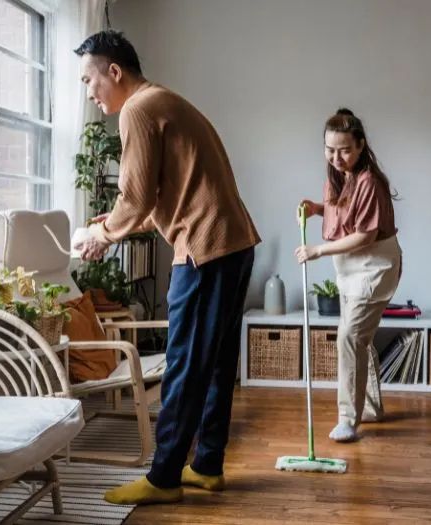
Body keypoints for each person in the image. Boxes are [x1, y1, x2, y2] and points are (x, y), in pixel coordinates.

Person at [73, 30, 260, 505]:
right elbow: (158, 194)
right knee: (215, 362)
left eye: (89, 79)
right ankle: (207, 465)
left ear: (114, 72)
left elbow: (134, 198)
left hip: (204, 249)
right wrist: (112, 223)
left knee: (183, 364)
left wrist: (101, 235)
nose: (89, 92)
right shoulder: (165, 101)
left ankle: (163, 478)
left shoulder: (138, 109)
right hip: (232, 243)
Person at [295, 108, 401, 443]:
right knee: (358, 339)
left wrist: (318, 251)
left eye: (344, 149)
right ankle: (369, 408)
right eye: (330, 149)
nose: (336, 157)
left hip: (373, 267)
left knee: (350, 338)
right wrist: (317, 208)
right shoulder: (339, 178)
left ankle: (348, 419)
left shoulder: (369, 180)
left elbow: (365, 235)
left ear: (360, 146)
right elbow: (345, 211)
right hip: (350, 268)